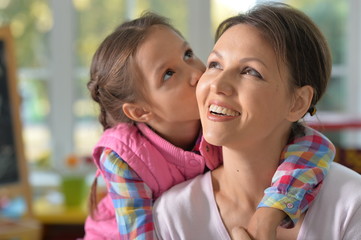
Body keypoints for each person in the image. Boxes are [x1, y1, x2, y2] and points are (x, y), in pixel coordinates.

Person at [84, 11, 335, 240]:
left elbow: (313, 146)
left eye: (188, 55)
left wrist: (271, 211)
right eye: (169, 74)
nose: (197, 75)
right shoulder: (122, 158)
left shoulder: (215, 123)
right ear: (140, 111)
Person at [153, 2, 361, 240]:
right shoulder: (172, 216)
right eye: (215, 65)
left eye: (250, 71)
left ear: (298, 103)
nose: (218, 85)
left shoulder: (351, 205)